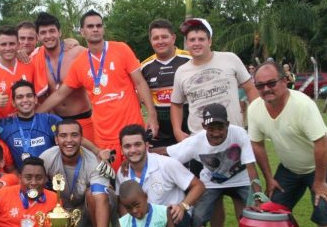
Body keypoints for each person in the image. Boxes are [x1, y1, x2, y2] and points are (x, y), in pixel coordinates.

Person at [248, 62, 327, 227]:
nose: (266, 89)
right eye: (260, 85)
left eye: (271, 83)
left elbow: (321, 143)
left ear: (285, 80)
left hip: (326, 161)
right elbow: (256, 144)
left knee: (322, 207)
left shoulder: (302, 104)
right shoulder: (255, 108)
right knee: (275, 207)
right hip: (290, 166)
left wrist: (319, 182)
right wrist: (269, 177)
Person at [36, 9, 159, 171]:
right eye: (90, 26)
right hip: (104, 136)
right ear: (82, 31)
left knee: (140, 176)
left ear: (103, 29)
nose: (95, 29)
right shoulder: (79, 63)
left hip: (132, 130)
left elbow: (140, 83)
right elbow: (60, 94)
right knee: (111, 181)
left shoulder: (121, 49)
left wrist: (151, 114)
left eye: (98, 26)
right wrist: (34, 114)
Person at [156, 103, 262, 227]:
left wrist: (258, 196)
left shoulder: (239, 133)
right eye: (211, 128)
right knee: (198, 216)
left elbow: (250, 165)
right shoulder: (195, 141)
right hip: (211, 183)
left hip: (241, 180)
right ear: (204, 126)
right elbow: (169, 151)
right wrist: (143, 154)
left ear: (227, 124)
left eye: (220, 127)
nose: (216, 133)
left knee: (255, 215)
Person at [40, 119, 113, 227]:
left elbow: (100, 198)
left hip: (90, 205)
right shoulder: (47, 157)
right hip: (66, 211)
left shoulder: (94, 162)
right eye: (63, 136)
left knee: (93, 194)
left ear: (81, 138)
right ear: (56, 139)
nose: (69, 140)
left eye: (74, 135)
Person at [171, 18, 258, 140]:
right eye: (192, 40)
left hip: (233, 135)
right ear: (187, 44)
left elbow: (250, 88)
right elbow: (176, 104)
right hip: (200, 139)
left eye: (201, 39)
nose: (196, 43)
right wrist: (177, 131)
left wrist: (257, 119)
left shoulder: (230, 59)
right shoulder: (181, 71)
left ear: (210, 41)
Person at [116, 125, 205, 227]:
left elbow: (199, 186)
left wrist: (183, 206)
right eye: (127, 146)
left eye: (137, 144)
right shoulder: (122, 172)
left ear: (147, 145)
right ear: (121, 149)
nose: (133, 150)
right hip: (141, 218)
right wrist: (128, 225)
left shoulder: (166, 164)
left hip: (172, 216)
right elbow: (122, 202)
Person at [31, 12, 95, 141]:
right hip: (57, 121)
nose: (48, 36)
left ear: (59, 32)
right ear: (38, 36)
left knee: (91, 158)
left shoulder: (78, 52)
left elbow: (102, 60)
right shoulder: (35, 59)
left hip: (83, 118)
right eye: (43, 32)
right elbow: (8, 56)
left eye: (52, 31)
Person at [0, 80, 62, 170]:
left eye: (29, 96)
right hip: (21, 180)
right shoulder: (4, 126)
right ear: (13, 103)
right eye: (20, 97)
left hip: (49, 180)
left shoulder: (50, 121)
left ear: (35, 99)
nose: (25, 100)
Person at [0, 26, 47, 119]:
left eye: (12, 44)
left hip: (29, 123)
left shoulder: (30, 65)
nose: (8, 48)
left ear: (18, 45)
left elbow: (40, 97)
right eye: (3, 44)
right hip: (1, 128)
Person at [140, 19, 191, 147]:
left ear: (173, 38)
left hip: (189, 130)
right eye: (156, 38)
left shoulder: (189, 59)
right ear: (151, 41)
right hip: (160, 134)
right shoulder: (144, 67)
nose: (160, 41)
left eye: (164, 37)